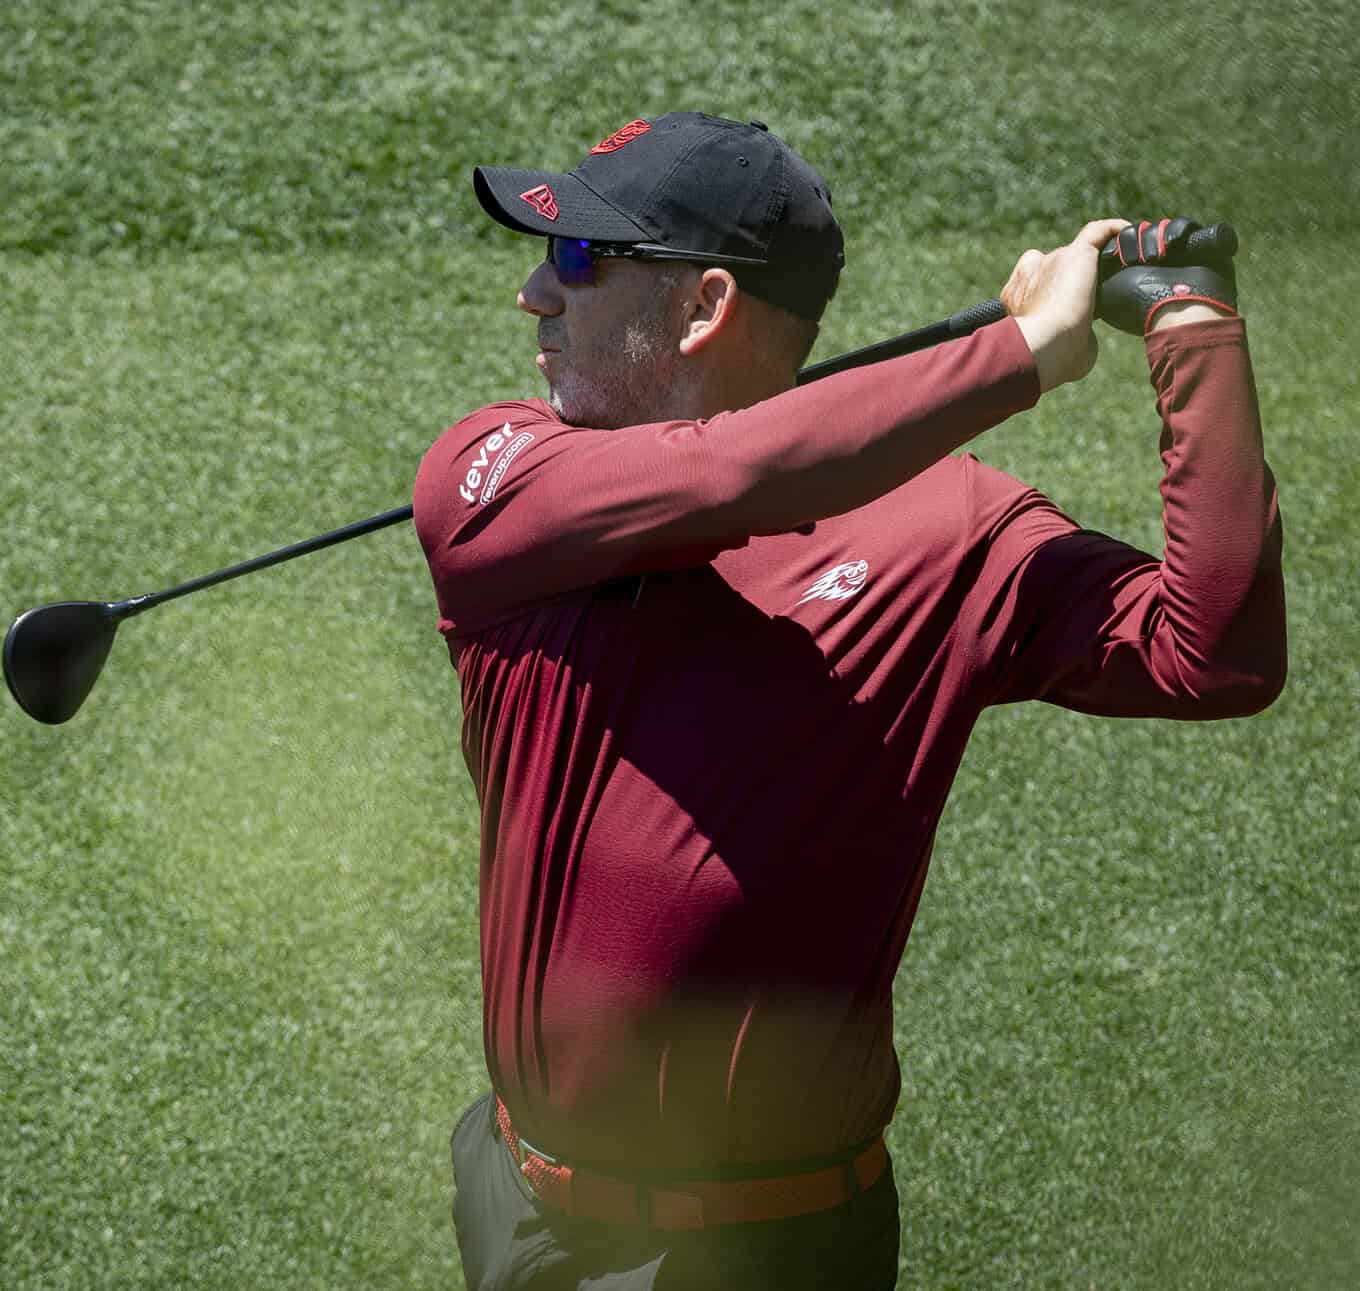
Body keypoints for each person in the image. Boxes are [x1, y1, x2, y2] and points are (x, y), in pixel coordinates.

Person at [410, 112, 1285, 1290]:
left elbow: (1211, 651)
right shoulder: (494, 478)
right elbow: (728, 473)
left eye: (578, 261)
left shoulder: (950, 526)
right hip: (521, 1199)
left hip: (766, 1250)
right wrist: (1021, 350)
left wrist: (1191, 327)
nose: (533, 294)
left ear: (703, 306)